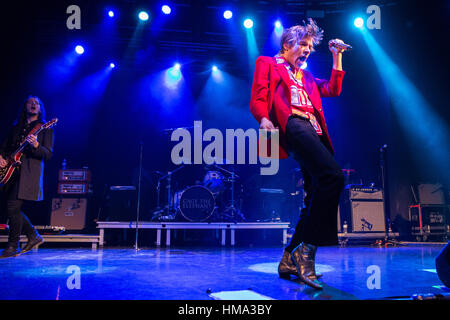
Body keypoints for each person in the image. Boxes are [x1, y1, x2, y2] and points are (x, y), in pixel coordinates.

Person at [250, 19, 347, 289]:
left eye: (310, 47)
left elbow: (333, 89)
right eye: (303, 44)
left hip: (313, 131)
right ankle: (307, 252)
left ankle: (288, 259)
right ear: (287, 44)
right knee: (333, 177)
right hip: (292, 124)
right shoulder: (268, 64)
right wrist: (262, 119)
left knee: (314, 194)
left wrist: (336, 55)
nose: (307, 50)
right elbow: (258, 95)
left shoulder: (306, 77)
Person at [0, 96, 54, 258]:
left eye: (36, 103)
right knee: (12, 208)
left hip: (28, 173)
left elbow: (48, 154)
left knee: (12, 207)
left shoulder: (45, 128)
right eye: (30, 102)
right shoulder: (16, 127)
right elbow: (4, 147)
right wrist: (1, 157)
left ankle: (13, 245)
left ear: (40, 108)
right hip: (10, 172)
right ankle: (32, 236)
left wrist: (36, 145)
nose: (33, 105)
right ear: (25, 107)